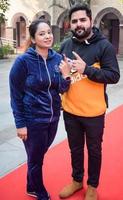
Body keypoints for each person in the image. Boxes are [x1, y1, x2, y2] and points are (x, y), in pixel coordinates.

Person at [58, 3, 120, 200]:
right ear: (70, 24)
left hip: (94, 112)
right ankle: (77, 180)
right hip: (70, 109)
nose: (79, 24)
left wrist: (87, 69)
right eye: (75, 21)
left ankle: (92, 185)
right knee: (74, 148)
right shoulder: (66, 45)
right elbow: (60, 74)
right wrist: (64, 76)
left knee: (94, 150)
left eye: (83, 20)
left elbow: (113, 76)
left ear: (90, 21)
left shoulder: (104, 46)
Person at [9, 19, 71, 200]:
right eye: (41, 34)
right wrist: (20, 124)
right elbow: (16, 95)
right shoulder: (23, 62)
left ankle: (30, 185)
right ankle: (38, 190)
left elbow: (60, 89)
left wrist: (66, 76)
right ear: (34, 38)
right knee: (36, 160)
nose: (47, 36)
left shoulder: (57, 59)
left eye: (49, 32)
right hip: (32, 120)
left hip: (52, 119)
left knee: (36, 156)